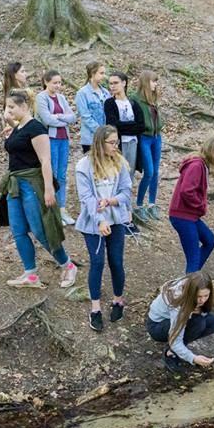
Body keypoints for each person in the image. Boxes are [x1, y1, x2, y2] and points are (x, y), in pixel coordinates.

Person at [0, 90, 78, 289]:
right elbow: (17, 139)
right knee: (18, 231)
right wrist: (9, 123)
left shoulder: (36, 128)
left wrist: (49, 189)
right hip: (14, 184)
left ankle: (68, 265)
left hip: (32, 184)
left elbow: (45, 160)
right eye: (7, 107)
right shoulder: (19, 128)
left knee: (41, 230)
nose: (7, 111)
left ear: (24, 107)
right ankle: (30, 274)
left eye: (11, 107)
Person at [75, 125, 132, 332]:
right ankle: (95, 309)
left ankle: (118, 301)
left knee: (116, 261)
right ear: (100, 143)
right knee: (97, 262)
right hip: (93, 224)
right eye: (112, 143)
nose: (116, 146)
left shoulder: (119, 163)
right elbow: (86, 198)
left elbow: (127, 191)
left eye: (117, 142)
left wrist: (111, 201)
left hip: (116, 220)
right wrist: (100, 220)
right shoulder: (84, 166)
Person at [169, 137, 214, 273]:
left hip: (191, 216)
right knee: (193, 259)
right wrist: (200, 205)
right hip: (182, 216)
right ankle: (189, 285)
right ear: (210, 151)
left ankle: (191, 278)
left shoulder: (202, 165)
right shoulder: (196, 165)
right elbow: (186, 191)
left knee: (210, 241)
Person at [147, 272, 214, 371]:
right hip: (157, 326)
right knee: (198, 323)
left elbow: (204, 312)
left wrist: (198, 311)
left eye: (206, 296)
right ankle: (171, 353)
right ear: (190, 293)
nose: (202, 300)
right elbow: (175, 341)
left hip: (176, 318)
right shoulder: (178, 303)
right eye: (199, 296)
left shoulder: (191, 287)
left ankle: (181, 348)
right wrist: (193, 358)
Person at [35, 70, 78, 226]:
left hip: (63, 139)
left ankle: (62, 209)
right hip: (49, 140)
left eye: (60, 82)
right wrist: (63, 119)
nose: (58, 86)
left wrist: (59, 118)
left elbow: (73, 117)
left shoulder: (61, 97)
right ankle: (50, 210)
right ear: (46, 82)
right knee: (50, 174)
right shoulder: (41, 97)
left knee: (61, 175)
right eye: (55, 82)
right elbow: (46, 119)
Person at [131, 70, 164, 223]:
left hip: (156, 138)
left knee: (156, 172)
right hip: (144, 138)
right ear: (146, 82)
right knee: (149, 172)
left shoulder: (153, 99)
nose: (156, 84)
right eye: (153, 81)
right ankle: (138, 205)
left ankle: (151, 204)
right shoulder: (135, 99)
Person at [104, 72, 145, 180]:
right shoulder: (109, 103)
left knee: (129, 172)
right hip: (117, 144)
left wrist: (122, 126)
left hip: (133, 143)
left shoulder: (134, 103)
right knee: (117, 172)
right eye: (110, 83)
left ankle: (126, 196)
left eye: (115, 83)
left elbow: (141, 126)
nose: (112, 86)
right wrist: (132, 125)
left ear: (124, 83)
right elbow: (113, 125)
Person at [76, 61, 110, 154]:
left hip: (107, 138)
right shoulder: (82, 93)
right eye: (101, 73)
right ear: (92, 73)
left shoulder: (106, 93)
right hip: (90, 138)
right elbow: (85, 116)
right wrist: (100, 132)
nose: (104, 76)